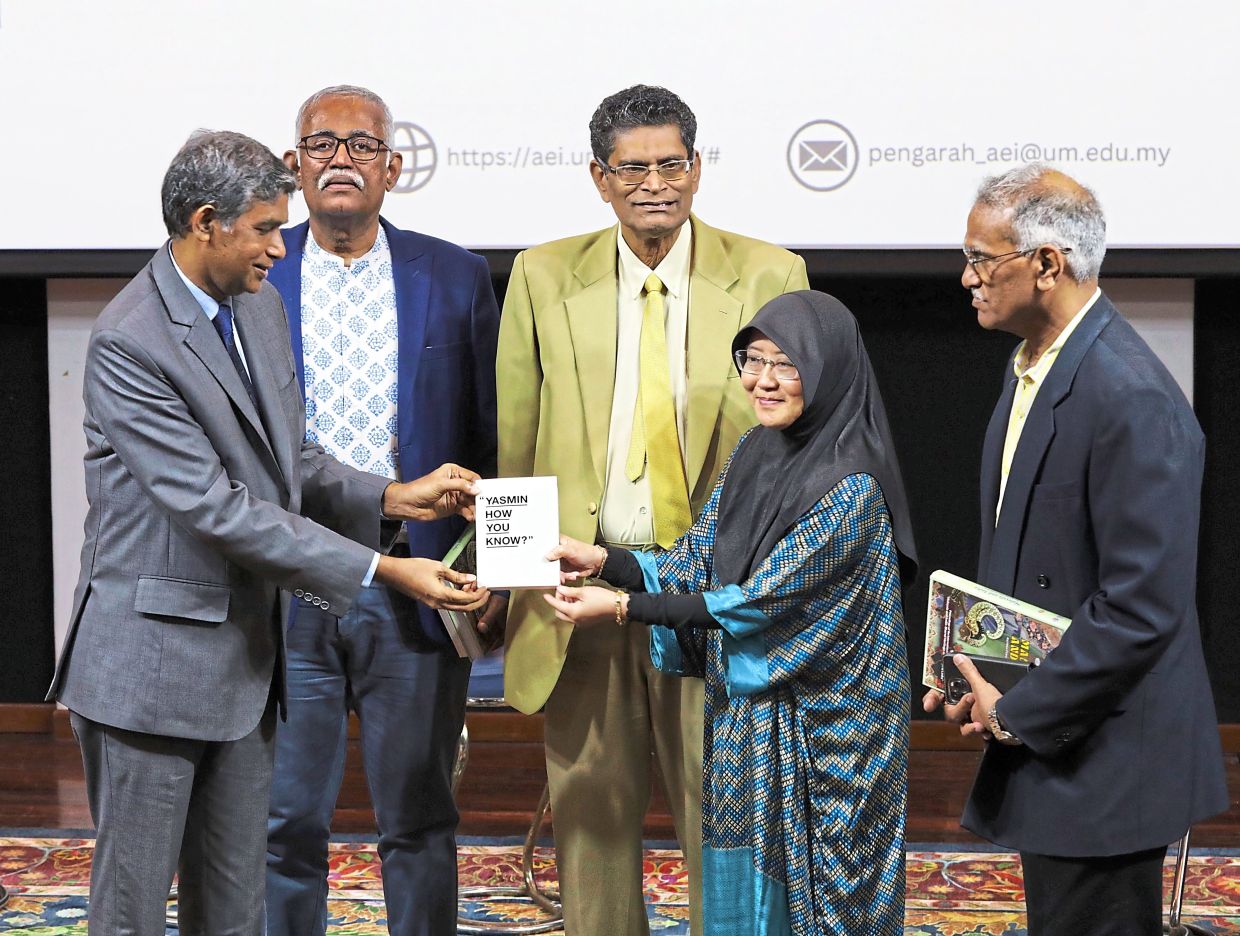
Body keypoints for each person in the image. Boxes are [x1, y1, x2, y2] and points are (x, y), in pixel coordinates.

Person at [46, 129, 488, 936]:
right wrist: (387, 572)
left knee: (236, 907)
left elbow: (292, 458)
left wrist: (395, 496)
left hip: (246, 665)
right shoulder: (128, 341)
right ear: (205, 221)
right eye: (264, 230)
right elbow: (218, 509)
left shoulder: (253, 306)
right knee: (132, 910)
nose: (281, 250)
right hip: (150, 673)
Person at [495, 84, 809, 934]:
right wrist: (512, 583)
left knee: (726, 822)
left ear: (698, 168)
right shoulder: (541, 274)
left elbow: (793, 455)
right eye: (632, 168)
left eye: (672, 164)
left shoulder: (771, 273)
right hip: (579, 590)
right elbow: (517, 444)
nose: (654, 184)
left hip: (710, 600)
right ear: (600, 179)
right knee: (591, 819)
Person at [545, 291, 917, 936]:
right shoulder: (753, 452)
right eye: (752, 359)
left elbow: (759, 601)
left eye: (786, 363)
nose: (761, 381)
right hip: (751, 720)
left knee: (825, 901)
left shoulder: (852, 485)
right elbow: (696, 561)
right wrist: (603, 559)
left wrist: (627, 607)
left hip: (831, 738)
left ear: (828, 368)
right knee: (742, 891)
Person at [924, 164, 1228, 935]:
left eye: (983, 259)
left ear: (1048, 264)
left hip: (1108, 756)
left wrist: (1019, 710)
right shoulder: (1035, 364)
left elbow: (1140, 607)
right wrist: (978, 676)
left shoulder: (1131, 397)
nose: (968, 278)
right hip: (1062, 739)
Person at [264, 84, 500, 936]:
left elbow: (489, 440)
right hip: (287, 580)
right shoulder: (257, 274)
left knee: (419, 818)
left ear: (393, 168)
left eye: (360, 146)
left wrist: (495, 574)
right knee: (285, 820)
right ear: (293, 167)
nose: (339, 159)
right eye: (320, 144)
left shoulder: (455, 275)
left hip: (418, 581)